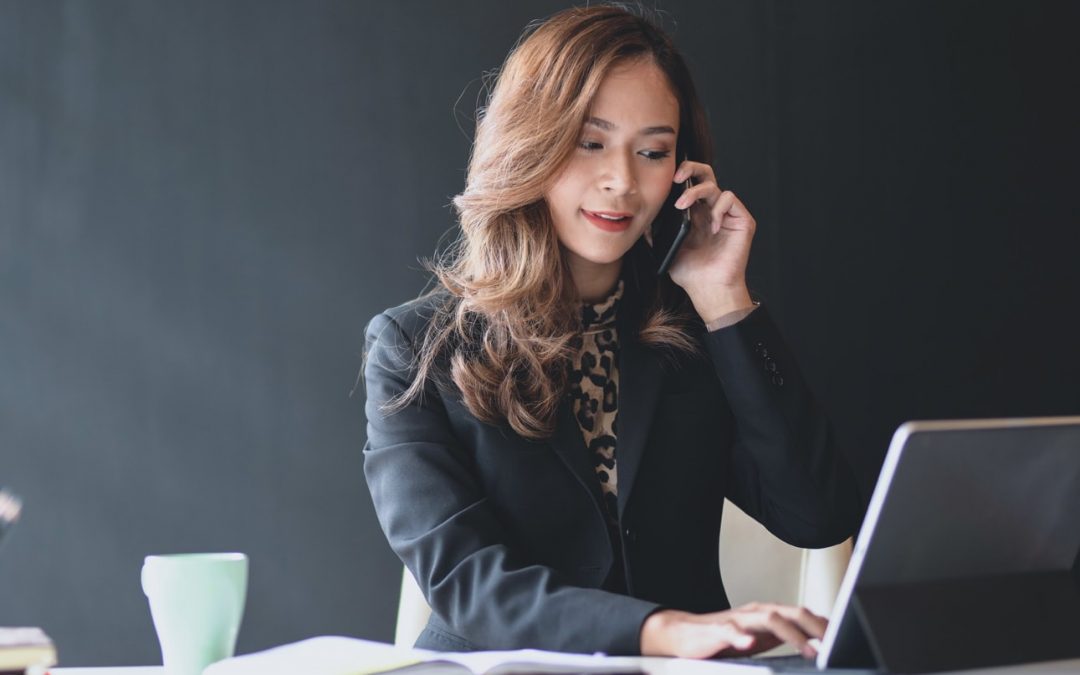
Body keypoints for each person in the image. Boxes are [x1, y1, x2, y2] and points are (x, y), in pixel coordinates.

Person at [362, 3, 861, 660]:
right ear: (529, 142)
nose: (622, 181)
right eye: (590, 142)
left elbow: (816, 513)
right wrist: (662, 629)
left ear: (682, 171)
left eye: (652, 151)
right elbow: (468, 581)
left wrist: (724, 298)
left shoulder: (693, 336)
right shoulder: (412, 347)